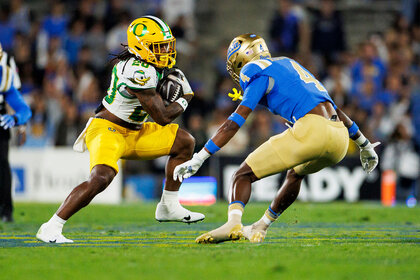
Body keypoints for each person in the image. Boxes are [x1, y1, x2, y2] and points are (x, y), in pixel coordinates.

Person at [174, 34, 380, 244]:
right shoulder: (288, 64)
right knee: (295, 174)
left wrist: (200, 157)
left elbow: (235, 121)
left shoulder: (253, 70)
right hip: (339, 138)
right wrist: (364, 145)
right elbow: (335, 109)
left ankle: (232, 224)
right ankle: (261, 226)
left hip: (312, 130)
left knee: (241, 174)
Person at [36, 16, 204, 244]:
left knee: (184, 142)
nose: (165, 50)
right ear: (141, 46)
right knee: (101, 178)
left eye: (167, 45)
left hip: (135, 131)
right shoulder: (137, 70)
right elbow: (162, 117)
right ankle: (51, 226)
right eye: (159, 46)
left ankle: (168, 205)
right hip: (108, 130)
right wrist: (185, 98)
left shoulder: (154, 67)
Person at [0, 43, 32, 222]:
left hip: (1, 119)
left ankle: (6, 209)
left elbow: (22, 107)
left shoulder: (5, 73)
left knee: (2, 164)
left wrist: (18, 120)